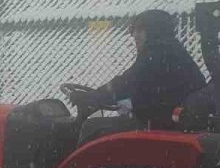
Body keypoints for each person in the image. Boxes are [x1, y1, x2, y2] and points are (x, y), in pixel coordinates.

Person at [63, 9, 205, 130]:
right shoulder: (172, 51)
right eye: (134, 30)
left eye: (140, 30)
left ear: (155, 30)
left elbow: (125, 84)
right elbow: (133, 86)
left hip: (158, 124)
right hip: (169, 120)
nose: (134, 35)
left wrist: (91, 97)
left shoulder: (158, 54)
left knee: (90, 127)